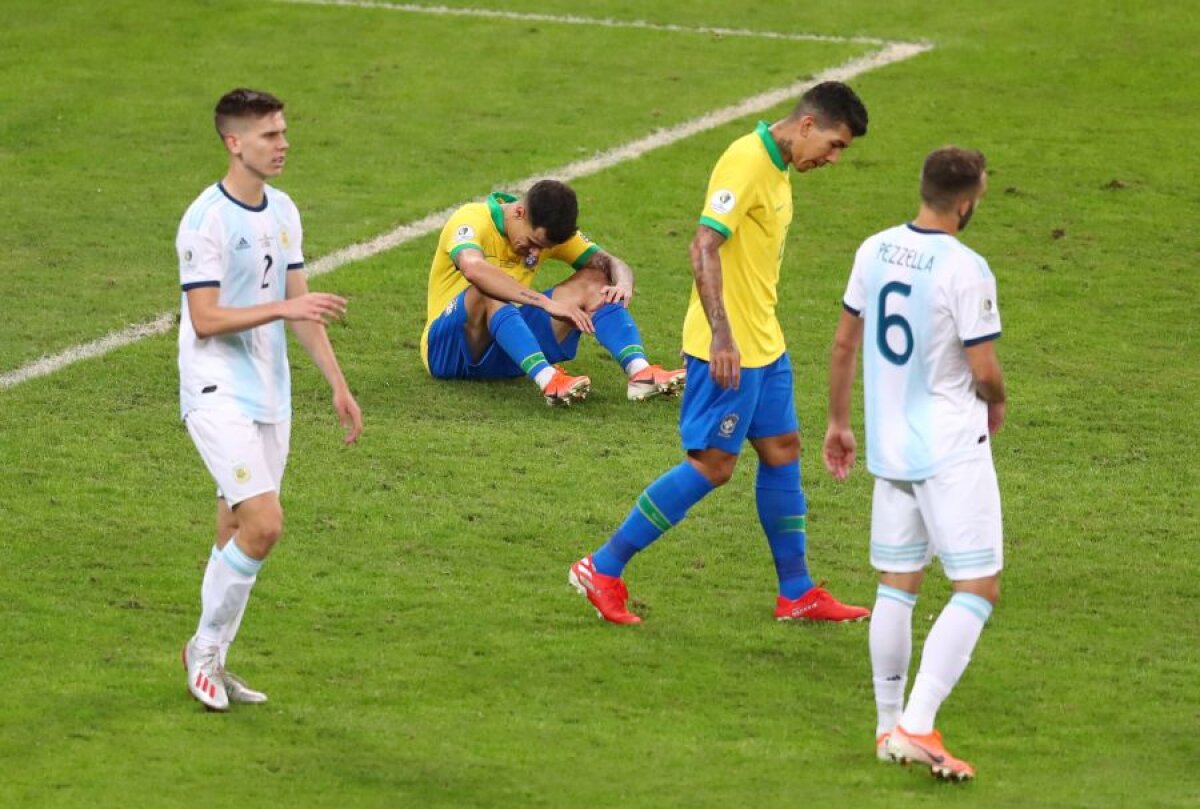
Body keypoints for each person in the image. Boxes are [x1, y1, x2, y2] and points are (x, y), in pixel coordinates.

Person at [570, 82, 871, 625]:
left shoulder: (778, 168)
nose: (832, 158)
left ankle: (796, 591)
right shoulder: (746, 162)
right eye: (834, 144)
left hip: (764, 341)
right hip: (727, 346)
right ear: (807, 125)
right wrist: (722, 335)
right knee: (713, 464)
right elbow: (702, 245)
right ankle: (603, 566)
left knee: (781, 450)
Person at [175, 88, 363, 711]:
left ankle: (215, 659)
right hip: (215, 389)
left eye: (283, 132)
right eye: (269, 136)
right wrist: (283, 306)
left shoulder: (283, 209)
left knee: (235, 525)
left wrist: (336, 381)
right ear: (235, 143)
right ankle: (202, 651)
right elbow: (204, 318)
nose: (283, 144)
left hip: (270, 393)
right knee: (264, 524)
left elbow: (301, 302)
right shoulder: (206, 220)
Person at [822, 146, 1003, 781]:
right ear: (967, 199)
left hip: (890, 446)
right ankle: (917, 724)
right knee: (977, 587)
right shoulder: (967, 266)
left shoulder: (874, 249)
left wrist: (839, 422)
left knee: (897, 586)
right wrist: (998, 403)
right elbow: (983, 369)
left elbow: (845, 341)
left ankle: (886, 726)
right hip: (950, 449)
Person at [420, 179, 685, 404]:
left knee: (597, 278)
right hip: (448, 353)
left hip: (505, 351)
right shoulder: (472, 219)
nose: (535, 253)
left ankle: (640, 372)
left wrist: (624, 283)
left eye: (542, 248)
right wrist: (544, 303)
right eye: (534, 243)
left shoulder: (545, 232)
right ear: (519, 212)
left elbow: (610, 262)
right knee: (488, 285)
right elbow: (473, 268)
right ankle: (548, 380)